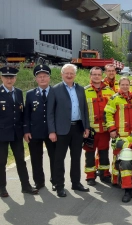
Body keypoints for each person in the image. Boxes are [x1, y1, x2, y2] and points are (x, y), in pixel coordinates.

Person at [47, 64, 90, 197]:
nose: (69, 75)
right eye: (67, 73)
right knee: (59, 159)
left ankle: (76, 183)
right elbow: (50, 113)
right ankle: (59, 185)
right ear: (62, 74)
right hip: (61, 130)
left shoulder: (80, 89)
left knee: (76, 158)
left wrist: (86, 127)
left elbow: (84, 110)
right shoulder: (55, 90)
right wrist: (52, 131)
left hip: (78, 128)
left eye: (72, 73)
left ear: (75, 75)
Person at [0, 67, 38, 197]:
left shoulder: (18, 92)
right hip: (2, 133)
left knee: (21, 160)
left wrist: (25, 130)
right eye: (6, 77)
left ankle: (26, 186)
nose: (9, 80)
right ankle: (2, 188)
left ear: (15, 79)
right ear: (2, 78)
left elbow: (21, 113)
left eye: (11, 77)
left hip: (16, 133)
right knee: (1, 161)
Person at [104, 76, 132, 185]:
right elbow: (108, 114)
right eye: (122, 85)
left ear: (129, 85)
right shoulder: (114, 99)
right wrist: (112, 129)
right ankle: (115, 179)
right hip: (120, 133)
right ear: (119, 85)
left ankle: (130, 178)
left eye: (127, 85)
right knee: (117, 156)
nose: (125, 86)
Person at [23, 64, 56, 191]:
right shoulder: (30, 94)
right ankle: (39, 182)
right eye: (40, 77)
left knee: (54, 158)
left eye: (45, 76)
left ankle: (55, 181)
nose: (42, 79)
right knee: (36, 159)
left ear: (49, 78)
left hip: (51, 132)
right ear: (36, 79)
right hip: (34, 132)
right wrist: (26, 130)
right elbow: (26, 114)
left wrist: (56, 130)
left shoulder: (55, 92)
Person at [83, 67, 115, 186]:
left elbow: (114, 110)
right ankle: (90, 176)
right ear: (90, 76)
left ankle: (104, 174)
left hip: (105, 130)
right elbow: (82, 111)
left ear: (102, 76)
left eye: (99, 74)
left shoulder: (110, 91)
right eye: (94, 74)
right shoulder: (84, 91)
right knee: (89, 154)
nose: (97, 76)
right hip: (90, 130)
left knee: (104, 153)